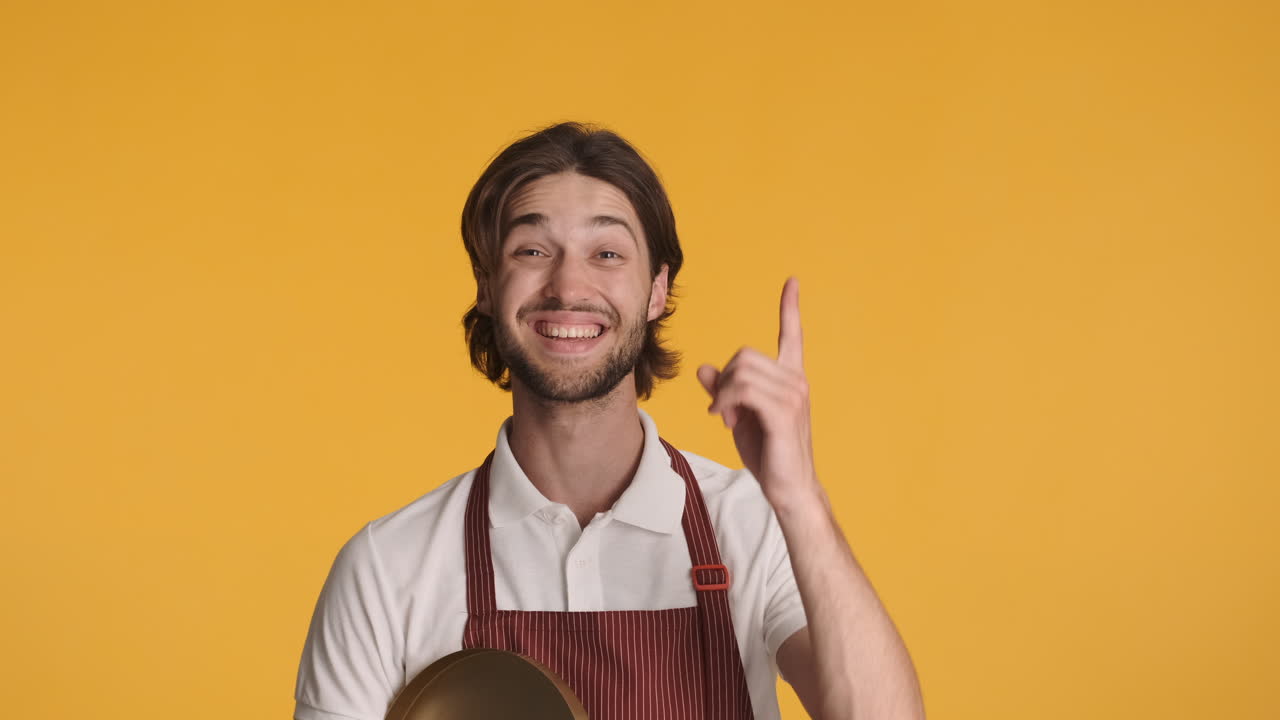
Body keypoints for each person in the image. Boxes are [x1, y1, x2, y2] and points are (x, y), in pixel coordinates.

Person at [293, 122, 925, 720]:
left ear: (656, 290)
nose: (569, 286)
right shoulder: (387, 567)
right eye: (533, 249)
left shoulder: (753, 528)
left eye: (607, 252)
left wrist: (800, 500)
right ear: (487, 285)